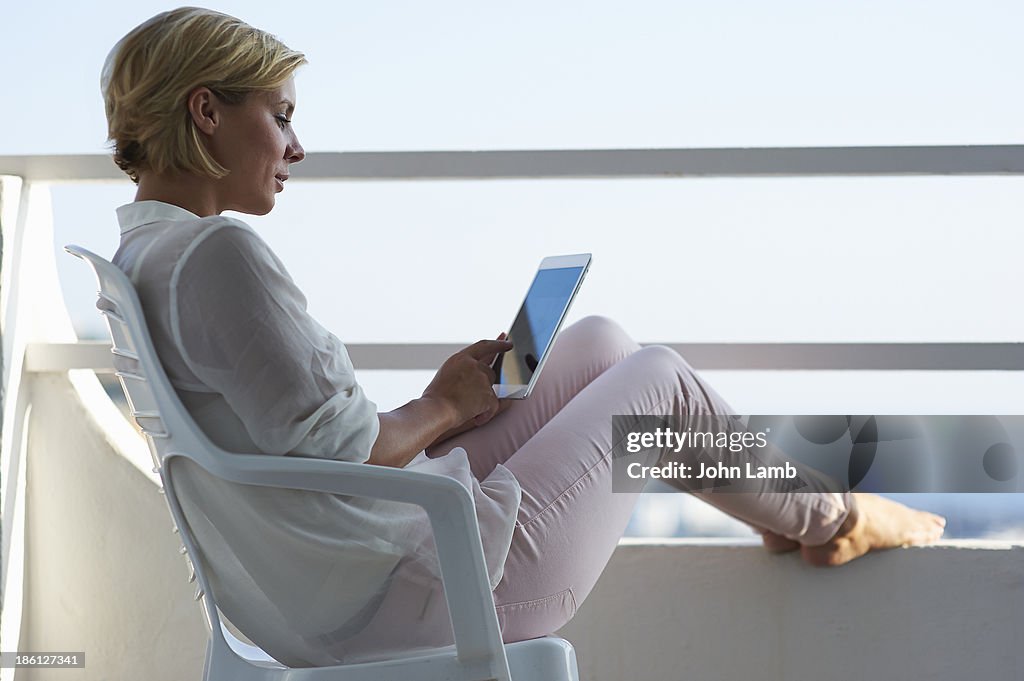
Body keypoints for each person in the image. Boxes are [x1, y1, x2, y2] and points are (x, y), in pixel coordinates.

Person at [100, 7, 946, 667]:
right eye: (281, 117)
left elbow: (295, 437)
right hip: (415, 599)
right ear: (206, 111)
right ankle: (833, 516)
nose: (297, 146)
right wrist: (438, 404)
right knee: (654, 379)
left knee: (602, 343)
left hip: (328, 586)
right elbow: (344, 452)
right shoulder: (218, 255)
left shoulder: (146, 254)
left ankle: (768, 503)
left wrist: (447, 409)